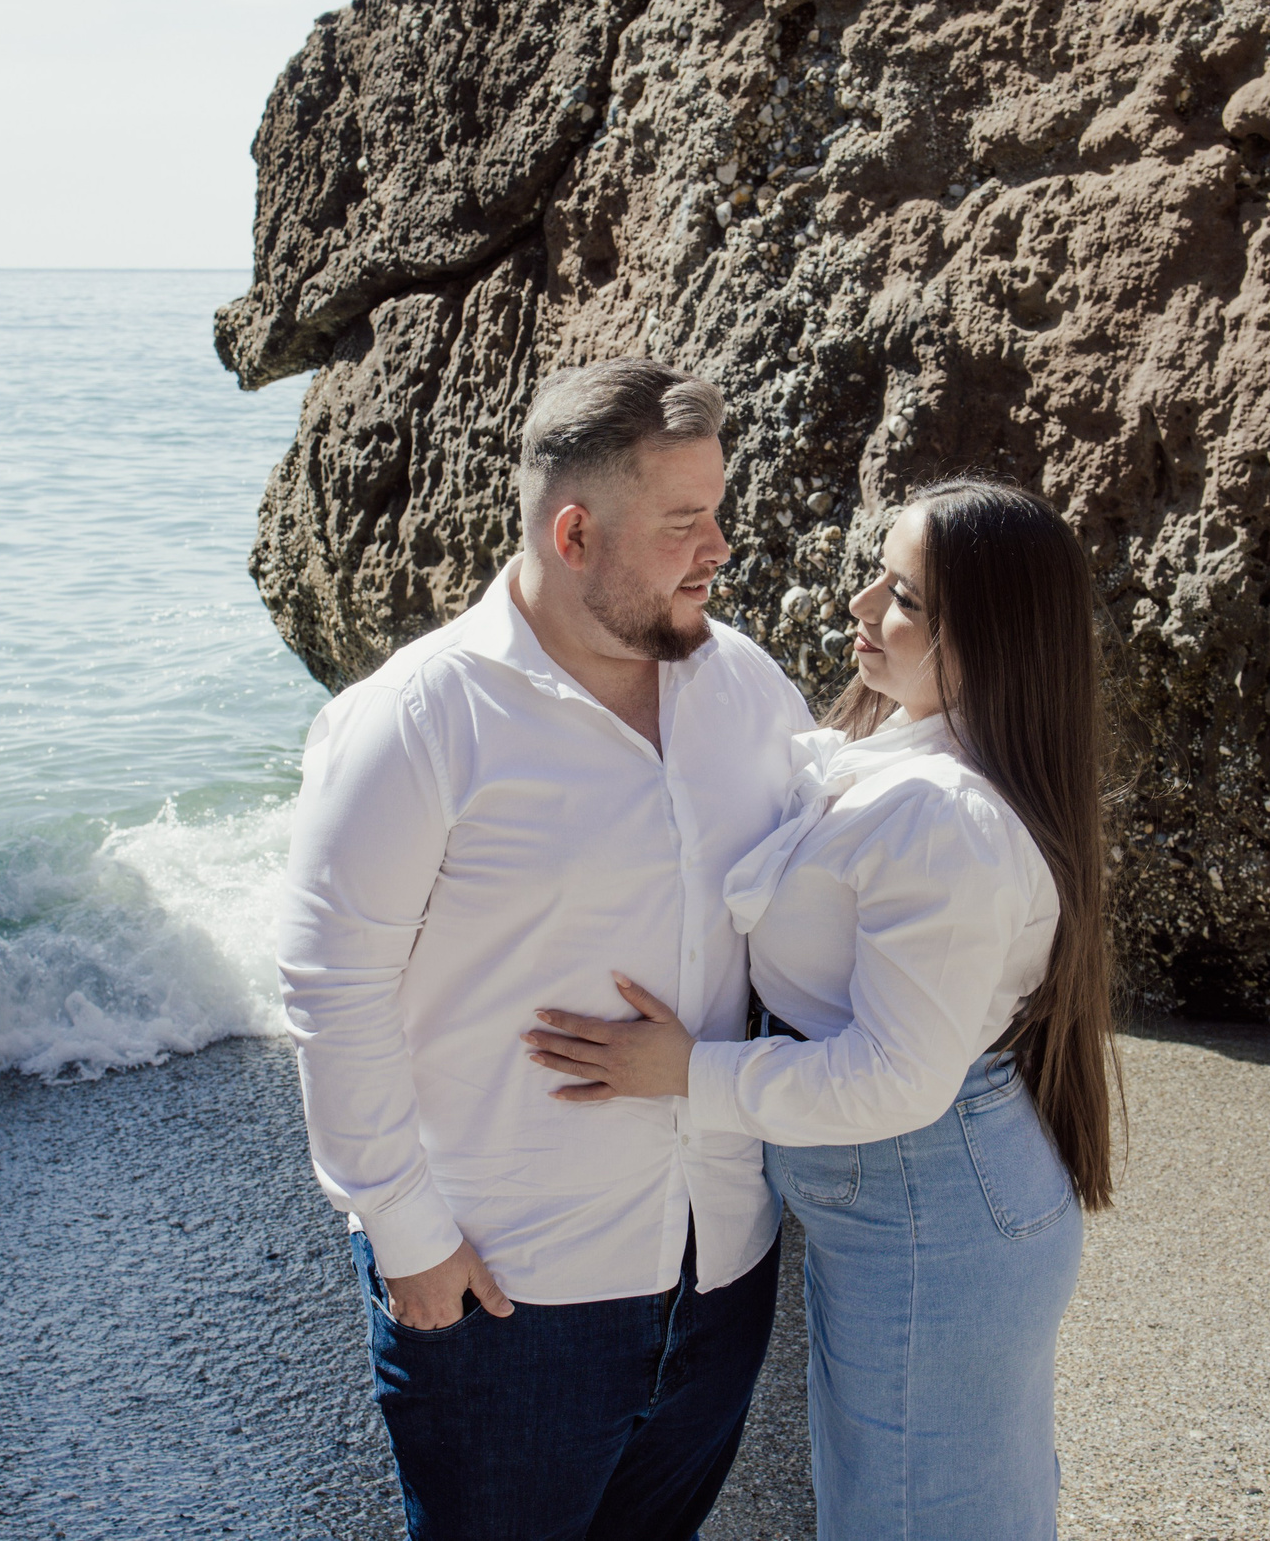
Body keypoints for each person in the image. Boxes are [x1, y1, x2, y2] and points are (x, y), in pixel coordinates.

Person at [273, 357, 814, 1540]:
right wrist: (404, 1235)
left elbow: (828, 900)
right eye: (682, 524)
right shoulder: (420, 717)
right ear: (574, 534)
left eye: (717, 513)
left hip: (721, 1266)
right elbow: (330, 986)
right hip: (507, 1295)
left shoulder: (747, 690)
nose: (718, 548)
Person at [525, 477, 1119, 1540]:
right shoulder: (912, 754)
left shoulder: (940, 816)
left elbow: (895, 1079)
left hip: (926, 1200)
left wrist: (683, 1073)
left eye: (900, 595)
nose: (857, 606)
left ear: (986, 632)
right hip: (925, 1194)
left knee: (906, 1519)